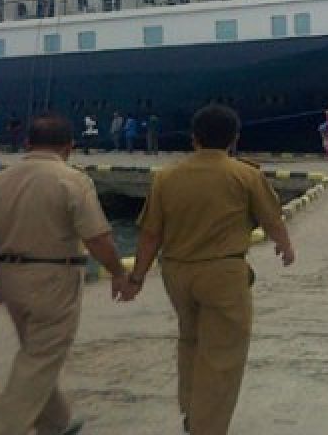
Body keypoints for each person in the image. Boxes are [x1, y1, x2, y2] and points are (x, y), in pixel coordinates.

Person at [126, 104, 295, 435]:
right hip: (223, 274)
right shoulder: (245, 174)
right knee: (223, 355)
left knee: (190, 340)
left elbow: (150, 233)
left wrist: (137, 277)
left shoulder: (167, 177)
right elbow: (272, 218)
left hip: (177, 274)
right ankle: (208, 427)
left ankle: (192, 411)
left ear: (194, 138)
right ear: (234, 138)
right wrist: (284, 246)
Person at [0, 113, 130, 435]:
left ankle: (54, 423)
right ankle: (0, 430)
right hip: (54, 277)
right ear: (69, 147)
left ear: (27, 143)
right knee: (40, 357)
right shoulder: (72, 180)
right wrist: (117, 271)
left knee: (36, 351)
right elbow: (96, 237)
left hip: (9, 277)